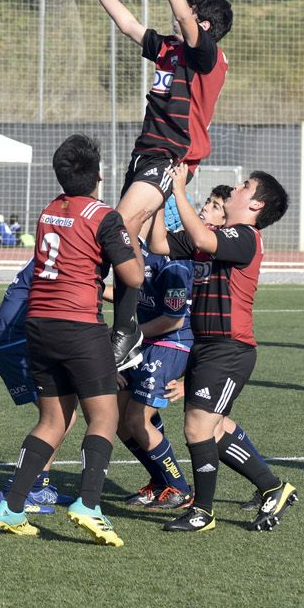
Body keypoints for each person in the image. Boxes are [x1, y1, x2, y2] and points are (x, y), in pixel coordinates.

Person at [70, 0, 232, 333]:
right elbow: (127, 23)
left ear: (205, 26)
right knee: (131, 241)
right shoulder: (168, 50)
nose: (181, 14)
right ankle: (124, 328)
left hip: (171, 157)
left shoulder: (206, 57)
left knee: (117, 227)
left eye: (191, 13)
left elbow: (181, 11)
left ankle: (116, 325)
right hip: (145, 154)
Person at [0, 134, 143, 545]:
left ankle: (12, 505)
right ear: (99, 177)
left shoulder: (48, 211)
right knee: (105, 417)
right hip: (78, 327)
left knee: (53, 420)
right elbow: (134, 277)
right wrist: (133, 239)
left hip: (39, 325)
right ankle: (89, 504)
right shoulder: (103, 215)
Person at [148, 163, 296, 532]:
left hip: (230, 348)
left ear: (257, 205)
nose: (236, 187)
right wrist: (158, 199)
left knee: (198, 428)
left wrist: (180, 191)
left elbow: (202, 241)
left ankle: (203, 511)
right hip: (208, 347)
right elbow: (158, 244)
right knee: (212, 429)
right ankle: (273, 487)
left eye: (245, 185)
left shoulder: (245, 236)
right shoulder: (217, 234)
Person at [121, 187, 229, 511]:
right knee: (119, 418)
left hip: (170, 344)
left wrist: (132, 333)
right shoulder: (145, 250)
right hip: (148, 342)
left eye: (212, 206)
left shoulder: (177, 264)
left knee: (138, 418)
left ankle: (179, 487)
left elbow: (171, 321)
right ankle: (159, 480)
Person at [0, 259, 75, 515]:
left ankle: (38, 486)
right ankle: (17, 492)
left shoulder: (55, 248)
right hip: (15, 340)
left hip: (16, 336)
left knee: (64, 414)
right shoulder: (64, 255)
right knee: (58, 417)